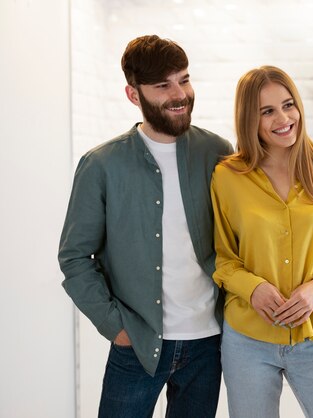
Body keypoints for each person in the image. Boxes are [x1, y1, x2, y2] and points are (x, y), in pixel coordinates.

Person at [58, 35, 233, 418]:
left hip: (208, 343)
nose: (179, 94)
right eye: (162, 85)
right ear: (133, 94)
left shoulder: (219, 153)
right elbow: (74, 257)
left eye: (184, 79)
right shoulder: (102, 164)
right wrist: (115, 327)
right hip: (138, 342)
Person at [210, 65, 313, 418]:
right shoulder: (227, 177)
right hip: (247, 339)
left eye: (288, 105)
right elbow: (222, 258)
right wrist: (252, 287)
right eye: (267, 111)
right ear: (250, 118)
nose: (283, 118)